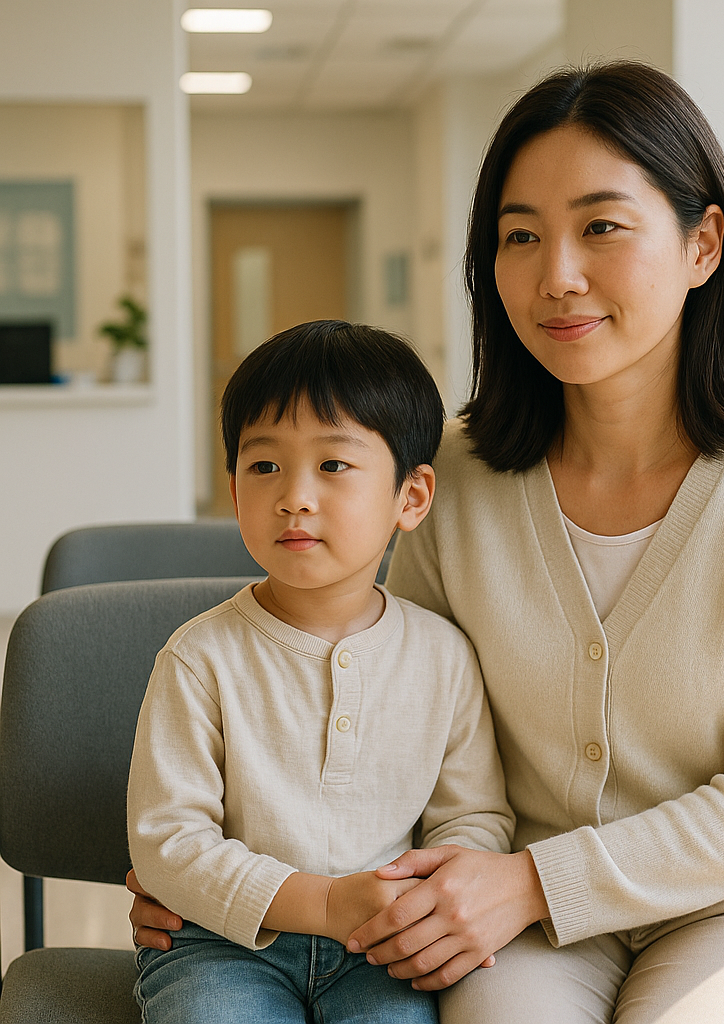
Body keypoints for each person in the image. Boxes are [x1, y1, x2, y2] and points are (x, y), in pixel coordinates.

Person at [131, 63, 724, 1023]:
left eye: (601, 227)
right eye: (520, 236)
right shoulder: (451, 479)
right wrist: (234, 882)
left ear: (703, 244)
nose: (556, 274)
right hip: (513, 907)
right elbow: (390, 703)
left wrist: (536, 882)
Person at [126, 320, 514, 1024]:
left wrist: (429, 895)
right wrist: (325, 903)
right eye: (264, 465)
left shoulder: (444, 656)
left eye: (333, 466)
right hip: (220, 945)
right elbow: (169, 843)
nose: (294, 495)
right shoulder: (199, 656)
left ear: (412, 497)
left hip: (383, 947)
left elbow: (475, 816)